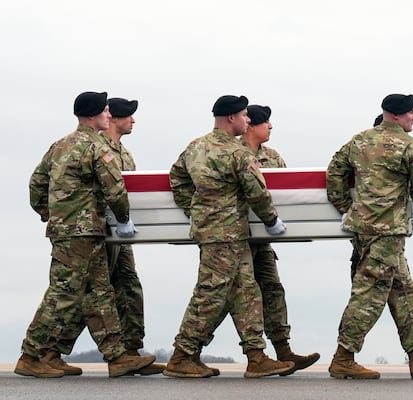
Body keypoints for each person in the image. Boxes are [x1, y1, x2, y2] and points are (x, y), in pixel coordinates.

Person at [16, 91, 155, 378]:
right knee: (64, 293)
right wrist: (124, 219)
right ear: (93, 116)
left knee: (97, 293)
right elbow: (114, 189)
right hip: (85, 231)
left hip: (69, 231)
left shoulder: (60, 145)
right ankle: (31, 355)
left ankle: (116, 356)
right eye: (105, 111)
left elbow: (36, 184)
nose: (109, 115)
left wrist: (53, 214)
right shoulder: (95, 147)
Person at [326, 93, 413, 380]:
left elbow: (334, 170)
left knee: (403, 290)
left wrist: (345, 208)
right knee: (369, 294)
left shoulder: (359, 140)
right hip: (387, 232)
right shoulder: (410, 147)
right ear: (397, 115)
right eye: (411, 112)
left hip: (364, 229)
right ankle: (343, 357)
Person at [164, 95, 294, 379]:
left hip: (215, 231)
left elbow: (177, 177)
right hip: (227, 233)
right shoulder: (238, 153)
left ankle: (256, 356)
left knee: (245, 291)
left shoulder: (195, 147)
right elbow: (257, 192)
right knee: (210, 293)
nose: (248, 121)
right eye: (245, 116)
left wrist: (196, 209)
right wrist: (272, 221)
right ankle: (182, 355)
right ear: (232, 118)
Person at [239, 104, 320, 374]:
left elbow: (287, 194)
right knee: (231, 297)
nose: (271, 126)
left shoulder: (272, 157)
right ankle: (190, 352)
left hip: (262, 241)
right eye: (266, 122)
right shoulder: (232, 152)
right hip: (234, 239)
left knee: (273, 290)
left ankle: (283, 351)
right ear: (251, 125)